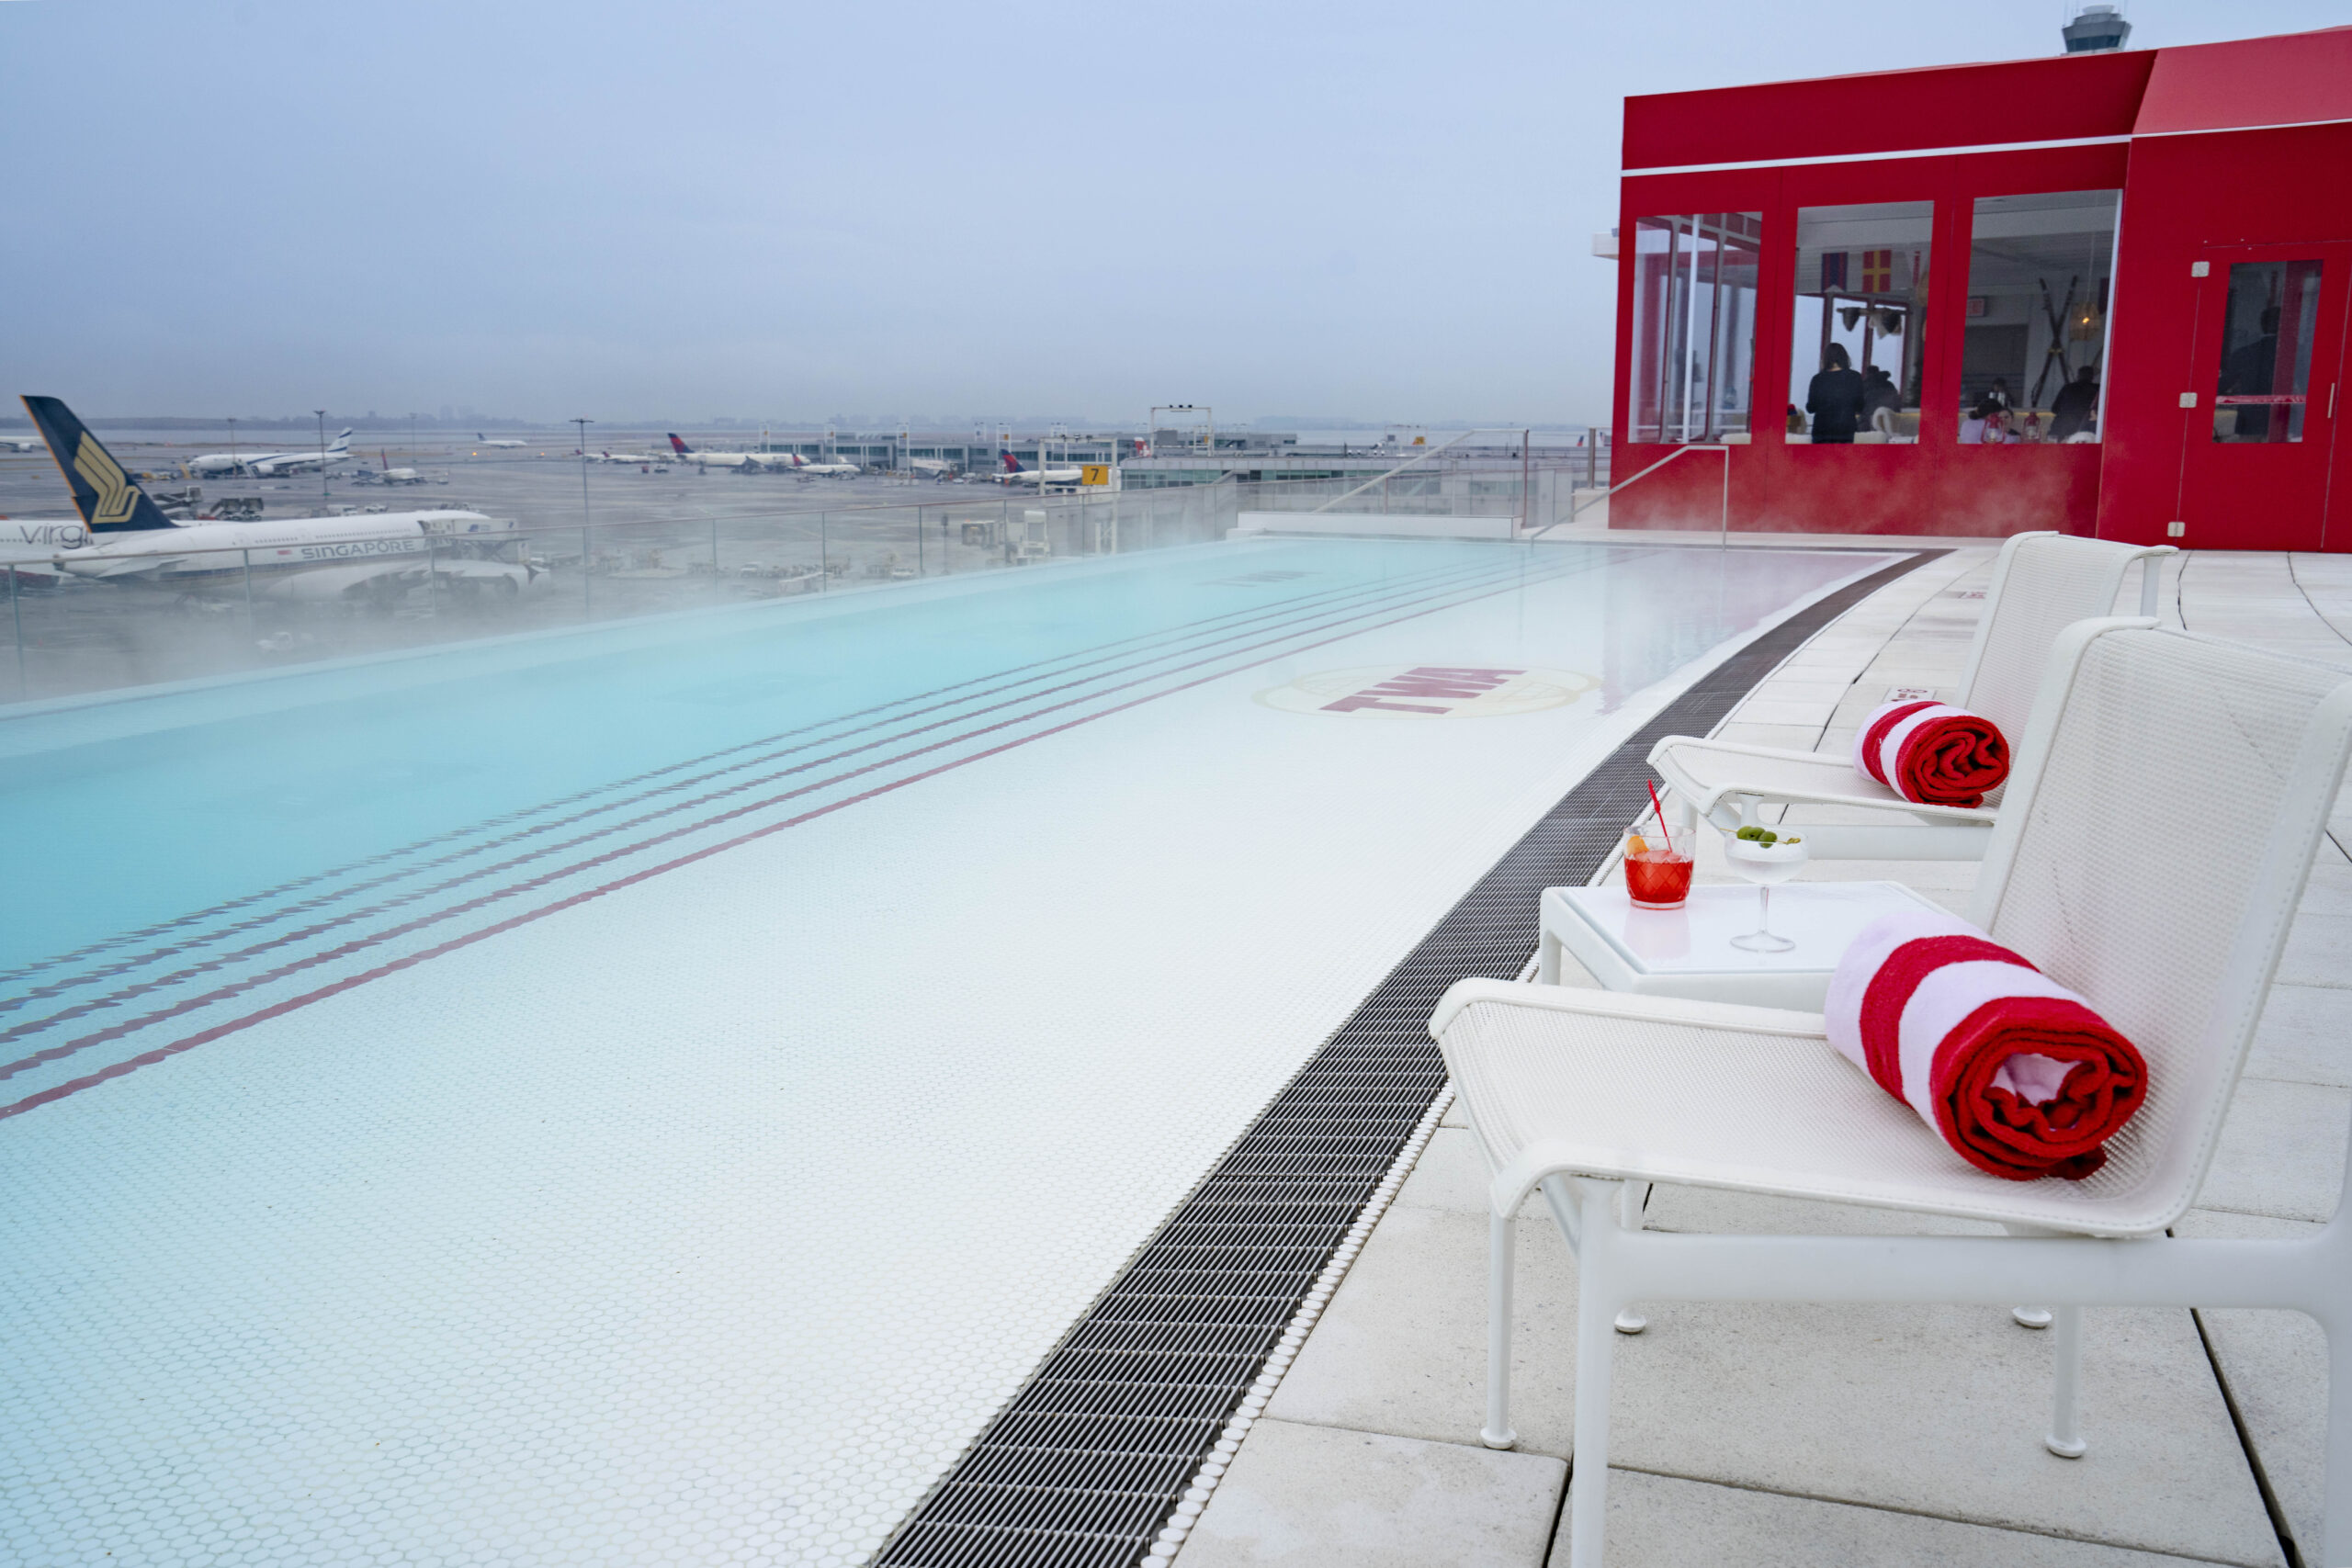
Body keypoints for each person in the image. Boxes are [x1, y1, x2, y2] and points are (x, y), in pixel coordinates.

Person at [1804, 344, 1865, 444]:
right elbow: (1860, 406)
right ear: (1844, 357)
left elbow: (1810, 408)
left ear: (1825, 359)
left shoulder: (1818, 379)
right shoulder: (1855, 377)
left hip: (1821, 431)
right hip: (1845, 430)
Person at [2050, 365, 2100, 442]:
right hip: (2085, 431)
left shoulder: (2068, 388)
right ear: (2092, 376)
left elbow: (2054, 409)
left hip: (2062, 430)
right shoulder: (2097, 389)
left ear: (2078, 375)